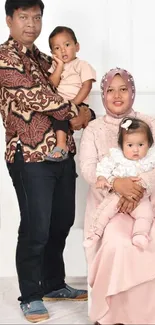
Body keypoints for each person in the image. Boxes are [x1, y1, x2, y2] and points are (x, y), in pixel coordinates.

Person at [0, 0, 94, 323]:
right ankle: (30, 294)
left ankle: (54, 283)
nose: (30, 23)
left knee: (62, 220)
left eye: (36, 17)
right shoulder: (5, 58)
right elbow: (42, 98)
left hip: (61, 154)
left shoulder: (43, 57)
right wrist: (77, 114)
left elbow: (68, 80)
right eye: (23, 16)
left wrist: (88, 114)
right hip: (28, 155)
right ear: (9, 19)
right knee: (36, 226)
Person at [79, 67, 155, 324]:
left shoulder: (149, 122)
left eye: (123, 89)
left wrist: (140, 185)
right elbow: (88, 168)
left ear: (132, 91)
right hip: (109, 208)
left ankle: (144, 315)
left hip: (148, 202)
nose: (117, 95)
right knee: (117, 243)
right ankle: (111, 315)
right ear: (103, 94)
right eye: (110, 90)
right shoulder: (93, 129)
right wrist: (116, 184)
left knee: (147, 241)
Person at [84, 117, 155, 250]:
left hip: (141, 197)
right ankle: (94, 233)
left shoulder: (150, 158)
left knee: (146, 214)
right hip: (117, 194)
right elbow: (102, 168)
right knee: (105, 210)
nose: (135, 150)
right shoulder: (116, 157)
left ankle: (140, 234)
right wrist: (101, 178)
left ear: (149, 144)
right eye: (130, 145)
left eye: (141, 145)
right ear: (122, 145)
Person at [45, 26, 96, 162]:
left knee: (90, 128)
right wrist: (60, 67)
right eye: (57, 48)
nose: (63, 50)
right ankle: (62, 146)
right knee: (59, 117)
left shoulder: (81, 65)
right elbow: (51, 85)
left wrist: (74, 103)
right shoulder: (55, 67)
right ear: (52, 53)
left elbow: (87, 85)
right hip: (62, 104)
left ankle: (87, 149)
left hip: (78, 102)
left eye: (67, 45)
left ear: (77, 46)